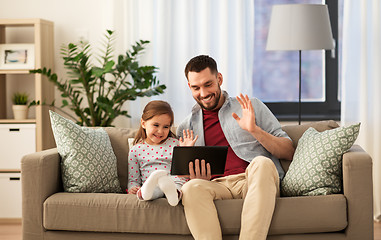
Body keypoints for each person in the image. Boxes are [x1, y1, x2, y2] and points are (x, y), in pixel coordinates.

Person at [176, 55, 295, 239]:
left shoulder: (250, 107)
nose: (203, 93)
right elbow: (181, 178)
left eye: (208, 84)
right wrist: (193, 177)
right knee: (191, 188)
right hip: (216, 187)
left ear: (219, 79)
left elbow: (288, 151)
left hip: (252, 181)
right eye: (196, 87)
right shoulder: (186, 128)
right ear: (189, 87)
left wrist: (255, 130)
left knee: (262, 163)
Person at [128, 100, 198, 206]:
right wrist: (132, 188)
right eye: (156, 125)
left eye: (166, 127)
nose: (160, 131)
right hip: (150, 184)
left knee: (177, 184)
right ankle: (145, 194)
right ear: (143, 123)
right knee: (154, 190)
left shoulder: (176, 143)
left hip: (174, 182)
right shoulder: (135, 150)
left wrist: (186, 151)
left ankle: (174, 195)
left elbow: (184, 174)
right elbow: (133, 179)